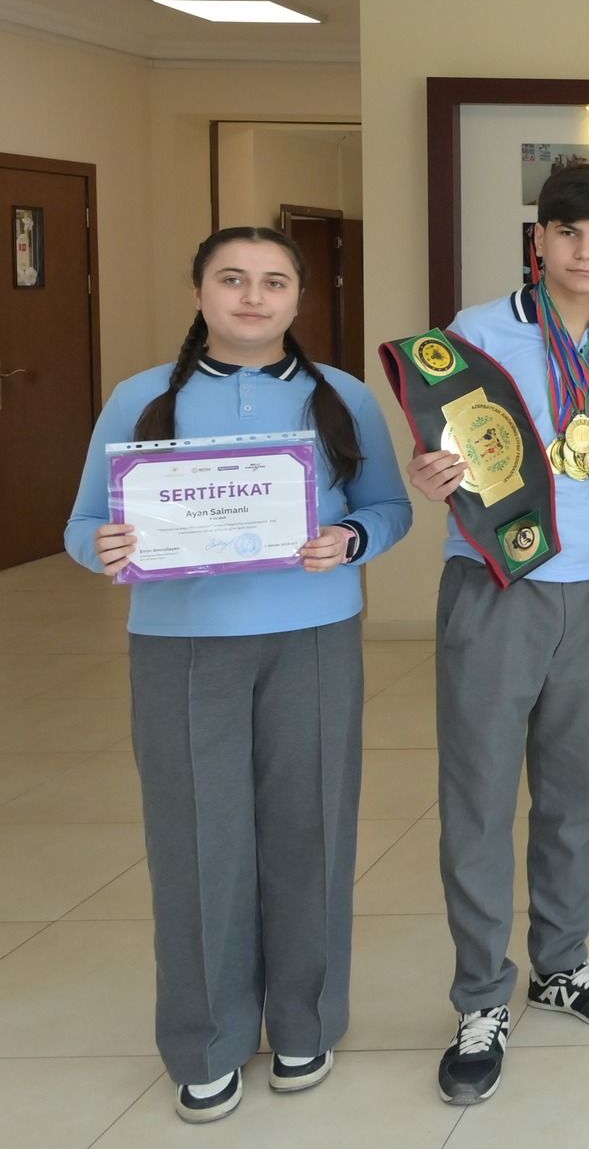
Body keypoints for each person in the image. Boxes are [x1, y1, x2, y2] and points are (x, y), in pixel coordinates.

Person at [64, 226, 412, 1124]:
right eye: (232, 279)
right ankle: (207, 1041)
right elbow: (83, 523)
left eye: (274, 281)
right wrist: (106, 546)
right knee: (196, 840)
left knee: (312, 828)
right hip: (182, 646)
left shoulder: (341, 396)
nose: (253, 297)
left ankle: (305, 1022)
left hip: (314, 636)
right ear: (199, 292)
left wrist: (351, 538)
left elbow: (388, 506)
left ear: (299, 297)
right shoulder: (142, 397)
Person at [405, 164, 589, 1105]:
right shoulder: (477, 332)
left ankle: (560, 962)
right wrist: (428, 471)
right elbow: (438, 442)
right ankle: (482, 996)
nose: (585, 252)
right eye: (569, 234)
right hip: (497, 583)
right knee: (479, 795)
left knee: (575, 793)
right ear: (540, 240)